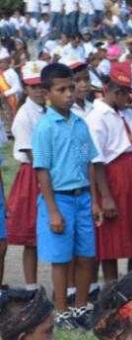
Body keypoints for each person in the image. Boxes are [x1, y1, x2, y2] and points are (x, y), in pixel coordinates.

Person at [32, 63, 106, 330]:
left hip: (83, 196)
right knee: (62, 259)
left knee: (86, 256)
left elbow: (89, 163)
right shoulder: (44, 127)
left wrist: (95, 199)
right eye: (61, 90)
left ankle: (81, 307)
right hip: (59, 199)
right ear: (46, 92)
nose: (68, 94)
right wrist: (52, 210)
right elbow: (42, 171)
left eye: (71, 88)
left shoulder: (79, 123)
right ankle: (61, 311)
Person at [86, 62, 132, 283]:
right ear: (112, 91)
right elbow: (96, 161)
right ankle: (112, 289)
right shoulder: (97, 116)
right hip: (112, 177)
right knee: (111, 241)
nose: (126, 99)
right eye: (122, 94)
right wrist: (105, 197)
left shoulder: (127, 112)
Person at [7, 61, 47, 290]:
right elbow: (32, 154)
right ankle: (31, 287)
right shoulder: (24, 116)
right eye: (34, 86)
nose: (39, 90)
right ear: (25, 87)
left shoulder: (48, 110)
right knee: (31, 237)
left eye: (42, 85)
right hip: (33, 175)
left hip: (50, 170)